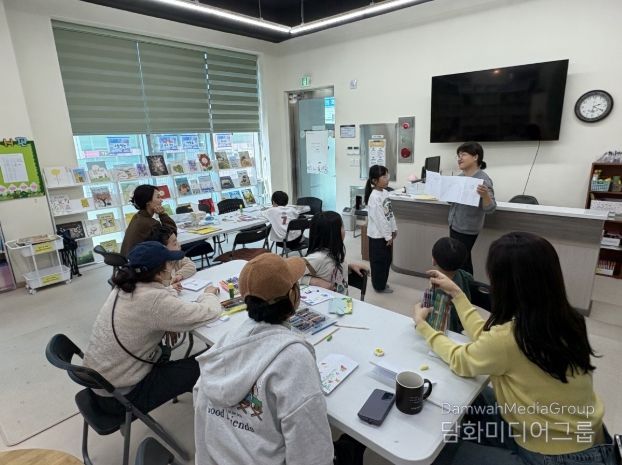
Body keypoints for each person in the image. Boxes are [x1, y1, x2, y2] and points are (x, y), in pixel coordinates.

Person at [413, 232, 614, 465]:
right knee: (474, 397)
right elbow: (491, 341)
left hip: (553, 457)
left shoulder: (510, 337)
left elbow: (461, 360)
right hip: (587, 440)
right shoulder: (567, 319)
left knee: (436, 452)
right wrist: (457, 294)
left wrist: (423, 325)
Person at [194, 253, 365, 465]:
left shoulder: (224, 343)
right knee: (354, 443)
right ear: (292, 295)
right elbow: (313, 455)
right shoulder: (294, 359)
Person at [83, 241, 221, 416]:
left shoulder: (123, 287)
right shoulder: (154, 302)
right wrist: (208, 294)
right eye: (170, 264)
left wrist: (169, 291)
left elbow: (152, 302)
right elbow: (209, 312)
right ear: (159, 272)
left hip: (101, 384)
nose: (172, 267)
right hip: (123, 396)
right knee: (210, 363)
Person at [448, 142, 496, 275]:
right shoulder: (459, 177)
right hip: (454, 224)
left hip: (468, 229)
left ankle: (465, 286)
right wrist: (447, 191)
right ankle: (465, 286)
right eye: (458, 155)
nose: (459, 158)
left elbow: (491, 208)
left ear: (475, 157)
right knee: (462, 260)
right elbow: (451, 202)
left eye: (463, 154)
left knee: (461, 262)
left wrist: (485, 195)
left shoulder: (483, 180)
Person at [301, 211, 368, 294]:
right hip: (325, 300)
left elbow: (331, 269)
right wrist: (316, 282)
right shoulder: (318, 257)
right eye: (342, 226)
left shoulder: (335, 251)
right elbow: (290, 276)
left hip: (341, 298)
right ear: (333, 233)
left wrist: (348, 267)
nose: (344, 230)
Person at [364, 165, 397, 293]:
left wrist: (394, 228)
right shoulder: (374, 197)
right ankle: (378, 286)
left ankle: (382, 283)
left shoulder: (385, 192)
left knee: (386, 260)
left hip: (385, 234)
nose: (387, 179)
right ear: (374, 180)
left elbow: (390, 213)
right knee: (378, 262)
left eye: (387, 175)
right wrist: (388, 236)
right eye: (384, 176)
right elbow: (380, 219)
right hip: (377, 236)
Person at [431, 237, 474, 333]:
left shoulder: (439, 290)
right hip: (465, 323)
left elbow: (437, 325)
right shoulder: (466, 276)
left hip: (450, 332)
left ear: (434, 260)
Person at [120, 184, 176, 256]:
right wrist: (162, 214)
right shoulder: (151, 224)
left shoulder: (137, 216)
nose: (161, 200)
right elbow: (171, 238)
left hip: (129, 260)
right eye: (158, 197)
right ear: (148, 202)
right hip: (140, 262)